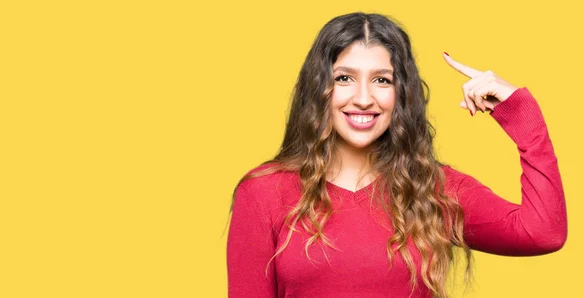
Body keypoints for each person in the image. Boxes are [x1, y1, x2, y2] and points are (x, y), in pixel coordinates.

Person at [226, 12, 567, 298]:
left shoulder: (432, 189)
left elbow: (543, 232)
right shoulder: (264, 193)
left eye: (382, 81)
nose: (363, 98)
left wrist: (521, 113)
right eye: (344, 78)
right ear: (320, 90)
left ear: (401, 94)